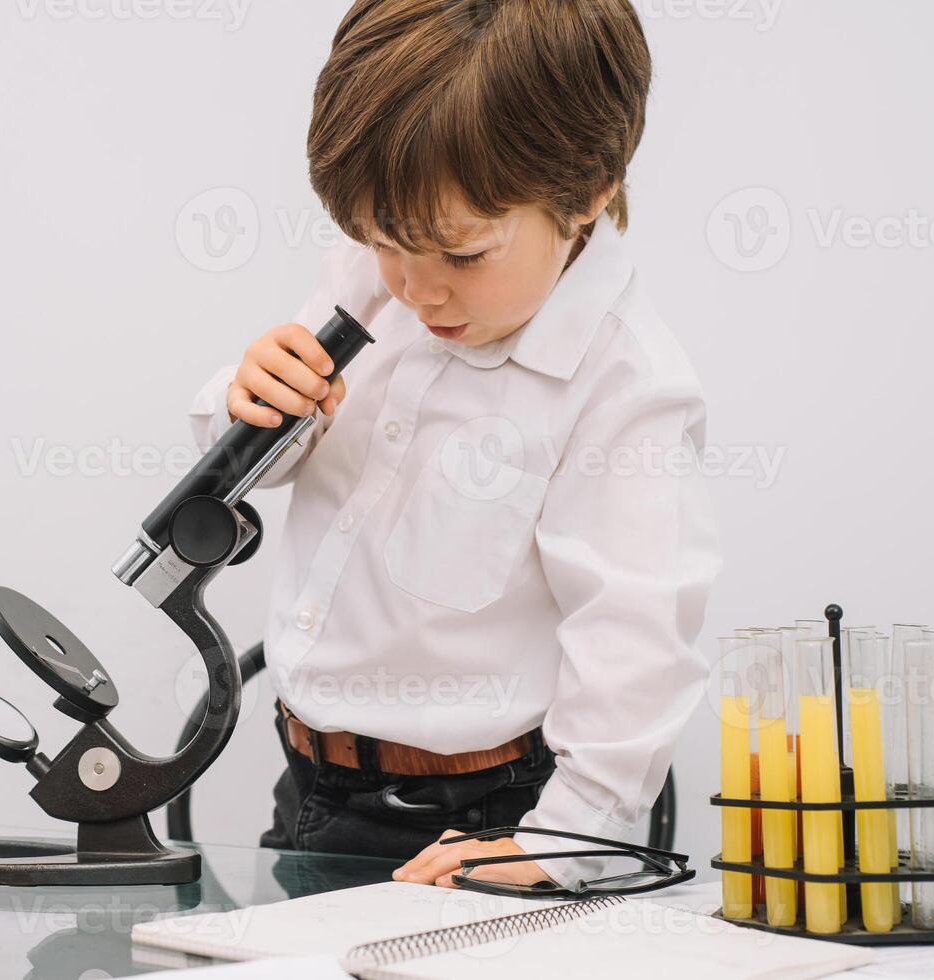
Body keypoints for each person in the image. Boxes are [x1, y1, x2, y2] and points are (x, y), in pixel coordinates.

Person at [187, 0, 719, 892]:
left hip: (489, 820)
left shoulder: (624, 386)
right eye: (386, 242)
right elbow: (262, 467)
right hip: (313, 788)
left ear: (587, 191)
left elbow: (638, 645)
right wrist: (250, 403)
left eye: (462, 255)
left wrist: (563, 842)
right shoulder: (376, 278)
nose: (417, 291)